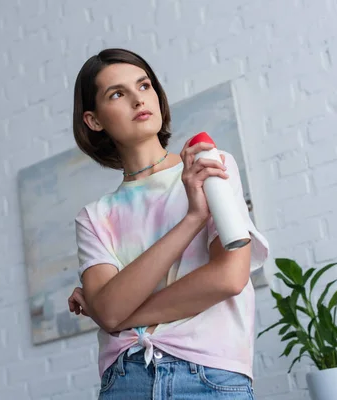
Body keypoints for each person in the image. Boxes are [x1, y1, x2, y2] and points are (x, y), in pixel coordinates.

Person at [66, 48, 269, 399]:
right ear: (94, 120)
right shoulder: (94, 217)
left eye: (144, 86)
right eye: (117, 93)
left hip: (209, 377)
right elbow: (110, 309)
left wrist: (116, 315)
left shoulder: (211, 167)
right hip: (126, 379)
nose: (138, 99)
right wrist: (193, 219)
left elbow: (229, 277)